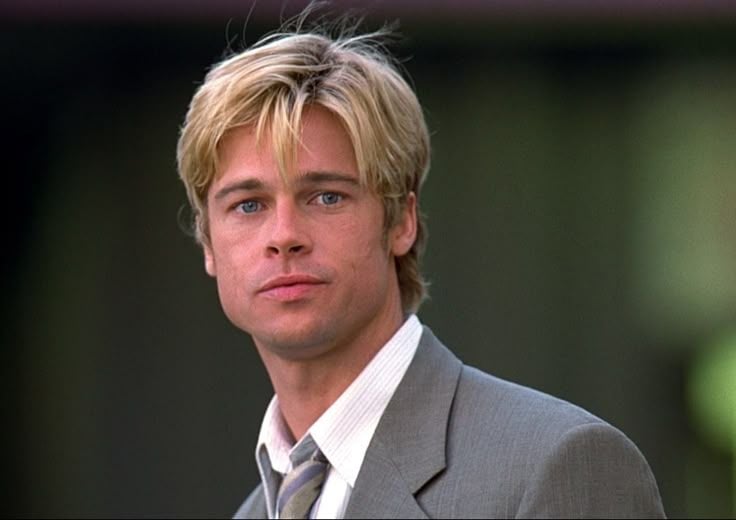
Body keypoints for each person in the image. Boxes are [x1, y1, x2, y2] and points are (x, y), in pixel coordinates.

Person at [176, 17, 666, 520]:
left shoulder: (560, 465)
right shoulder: (256, 513)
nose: (284, 235)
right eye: (248, 205)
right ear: (208, 242)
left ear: (401, 221)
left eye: (326, 196)